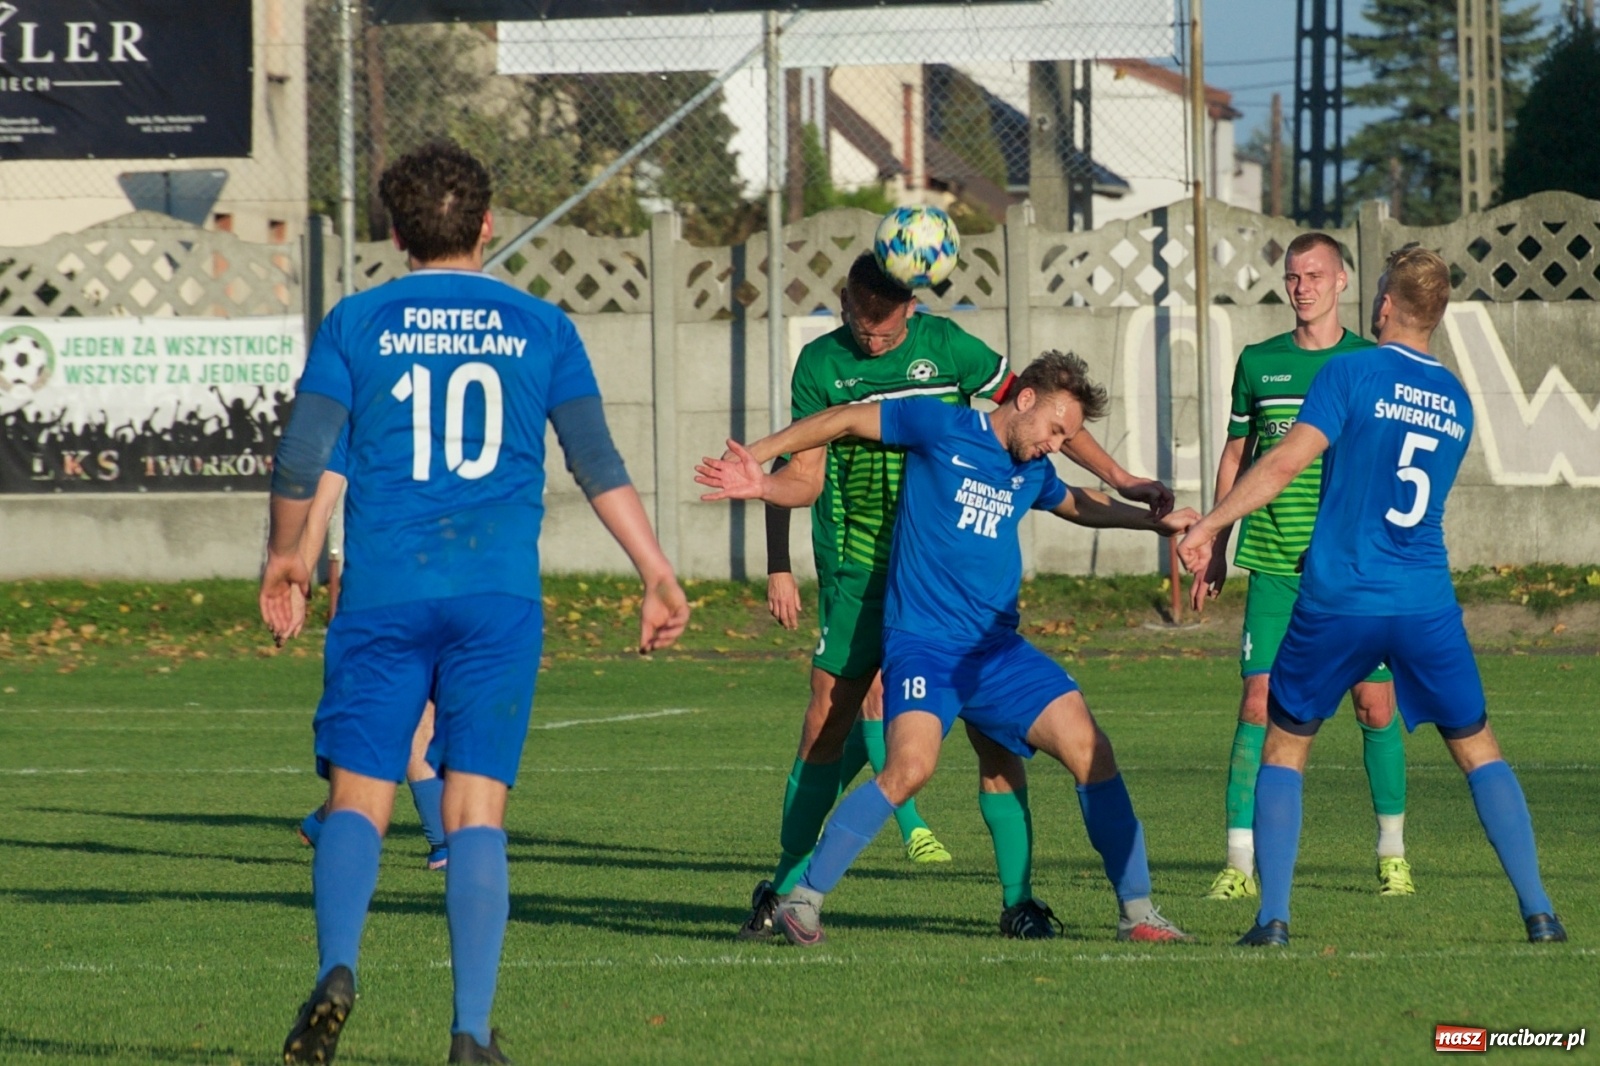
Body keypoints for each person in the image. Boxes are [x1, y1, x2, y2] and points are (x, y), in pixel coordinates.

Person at [260, 140, 690, 1065]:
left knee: (357, 797)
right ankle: (469, 1033)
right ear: (488, 226)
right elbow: (596, 461)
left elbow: (304, 456)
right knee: (476, 812)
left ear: (393, 232)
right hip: (495, 595)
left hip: (382, 592)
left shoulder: (357, 321)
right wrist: (655, 570)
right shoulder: (543, 327)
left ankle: (339, 970)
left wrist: (287, 557)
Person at [744, 253, 1174, 942]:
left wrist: (1149, 512)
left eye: (1069, 437)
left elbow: (1078, 503)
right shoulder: (943, 429)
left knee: (1092, 749)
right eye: (1057, 430)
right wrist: (759, 461)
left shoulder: (1030, 466)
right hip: (926, 644)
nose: (1059, 445)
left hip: (998, 650)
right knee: (903, 764)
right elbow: (848, 420)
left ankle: (1138, 914)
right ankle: (799, 897)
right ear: (1022, 399)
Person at [1177, 247, 1566, 948]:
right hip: (1423, 600)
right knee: (1479, 748)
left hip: (1340, 598)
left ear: (1384, 303)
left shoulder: (1349, 371)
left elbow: (1286, 460)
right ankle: (1539, 912)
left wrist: (1210, 524)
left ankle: (1272, 920)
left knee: (1285, 747)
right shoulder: (1455, 398)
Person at [1191, 232, 1413, 902]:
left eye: (1315, 276)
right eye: (1292, 278)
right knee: (1258, 704)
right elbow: (1238, 455)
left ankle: (1392, 854)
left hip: (1351, 572)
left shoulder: (1372, 363)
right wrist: (1218, 541)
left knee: (1375, 707)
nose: (1302, 287)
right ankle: (1238, 860)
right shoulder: (1261, 362)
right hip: (1274, 564)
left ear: (1343, 281)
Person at [290, 454, 450, 871]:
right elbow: (321, 507)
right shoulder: (358, 417)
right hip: (375, 600)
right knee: (391, 724)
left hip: (436, 591)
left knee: (419, 717)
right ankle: (438, 843)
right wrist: (299, 582)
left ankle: (437, 843)